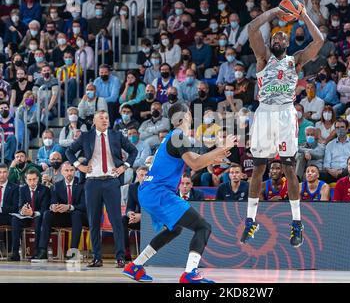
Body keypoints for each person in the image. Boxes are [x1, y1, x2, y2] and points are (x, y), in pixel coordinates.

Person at [122, 102, 236, 283]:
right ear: (185, 116)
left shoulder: (173, 136)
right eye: (190, 113)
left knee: (174, 229)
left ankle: (135, 266)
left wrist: (216, 156)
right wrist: (221, 148)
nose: (192, 116)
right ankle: (190, 274)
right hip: (159, 192)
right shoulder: (179, 136)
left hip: (150, 191)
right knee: (203, 227)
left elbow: (196, 159)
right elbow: (196, 164)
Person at [240, 3, 324, 246]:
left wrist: (305, 15)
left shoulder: (295, 60)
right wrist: (274, 13)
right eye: (275, 35)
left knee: (288, 167)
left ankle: (297, 223)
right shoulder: (263, 57)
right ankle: (250, 221)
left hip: (286, 113)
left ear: (287, 43)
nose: (277, 38)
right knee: (258, 167)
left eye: (282, 36)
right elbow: (252, 28)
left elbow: (318, 41)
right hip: (264, 112)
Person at [66, 110, 138, 268]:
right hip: (92, 183)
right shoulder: (86, 136)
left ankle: (120, 258)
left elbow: (134, 151)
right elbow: (69, 151)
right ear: (94, 120)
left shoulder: (117, 135)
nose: (105, 120)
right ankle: (97, 258)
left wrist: (124, 167)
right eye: (101, 118)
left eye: (107, 117)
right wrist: (80, 167)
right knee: (93, 221)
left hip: (112, 182)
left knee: (116, 221)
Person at [32, 162, 88, 262]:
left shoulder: (82, 185)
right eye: (66, 170)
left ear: (75, 171)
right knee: (47, 214)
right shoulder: (57, 186)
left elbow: (84, 206)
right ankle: (42, 251)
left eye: (71, 170)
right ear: (62, 172)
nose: (69, 173)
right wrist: (53, 206)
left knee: (76, 214)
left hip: (80, 217)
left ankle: (73, 252)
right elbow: (53, 201)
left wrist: (70, 207)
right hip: (63, 217)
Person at [10, 169, 50, 261]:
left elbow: (44, 208)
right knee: (15, 219)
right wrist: (22, 211)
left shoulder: (45, 190)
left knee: (38, 218)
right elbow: (20, 205)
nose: (32, 182)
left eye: (34, 179)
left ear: (38, 179)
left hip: (38, 216)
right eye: (29, 180)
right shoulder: (22, 189)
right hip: (26, 217)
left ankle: (36, 252)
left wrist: (33, 213)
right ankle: (15, 252)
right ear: (26, 180)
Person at [322, 118, 350, 183]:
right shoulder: (330, 144)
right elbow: (326, 163)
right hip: (331, 172)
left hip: (346, 171)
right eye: (337, 128)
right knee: (318, 174)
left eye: (342, 127)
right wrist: (330, 171)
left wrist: (341, 171)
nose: (339, 130)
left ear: (347, 129)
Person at [122, 166, 146, 261]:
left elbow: (156, 210)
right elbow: (129, 207)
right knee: (123, 219)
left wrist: (142, 216)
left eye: (146, 175)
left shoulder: (154, 188)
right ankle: (126, 252)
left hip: (151, 219)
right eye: (141, 175)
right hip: (137, 218)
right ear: (137, 176)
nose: (144, 177)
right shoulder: (133, 187)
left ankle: (145, 254)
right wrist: (130, 214)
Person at [0, 164, 19, 229]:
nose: (2, 175)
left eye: (4, 172)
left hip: (7, 216)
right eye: (0, 172)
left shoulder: (15, 188)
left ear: (8, 173)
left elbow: (16, 207)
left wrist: (1, 209)